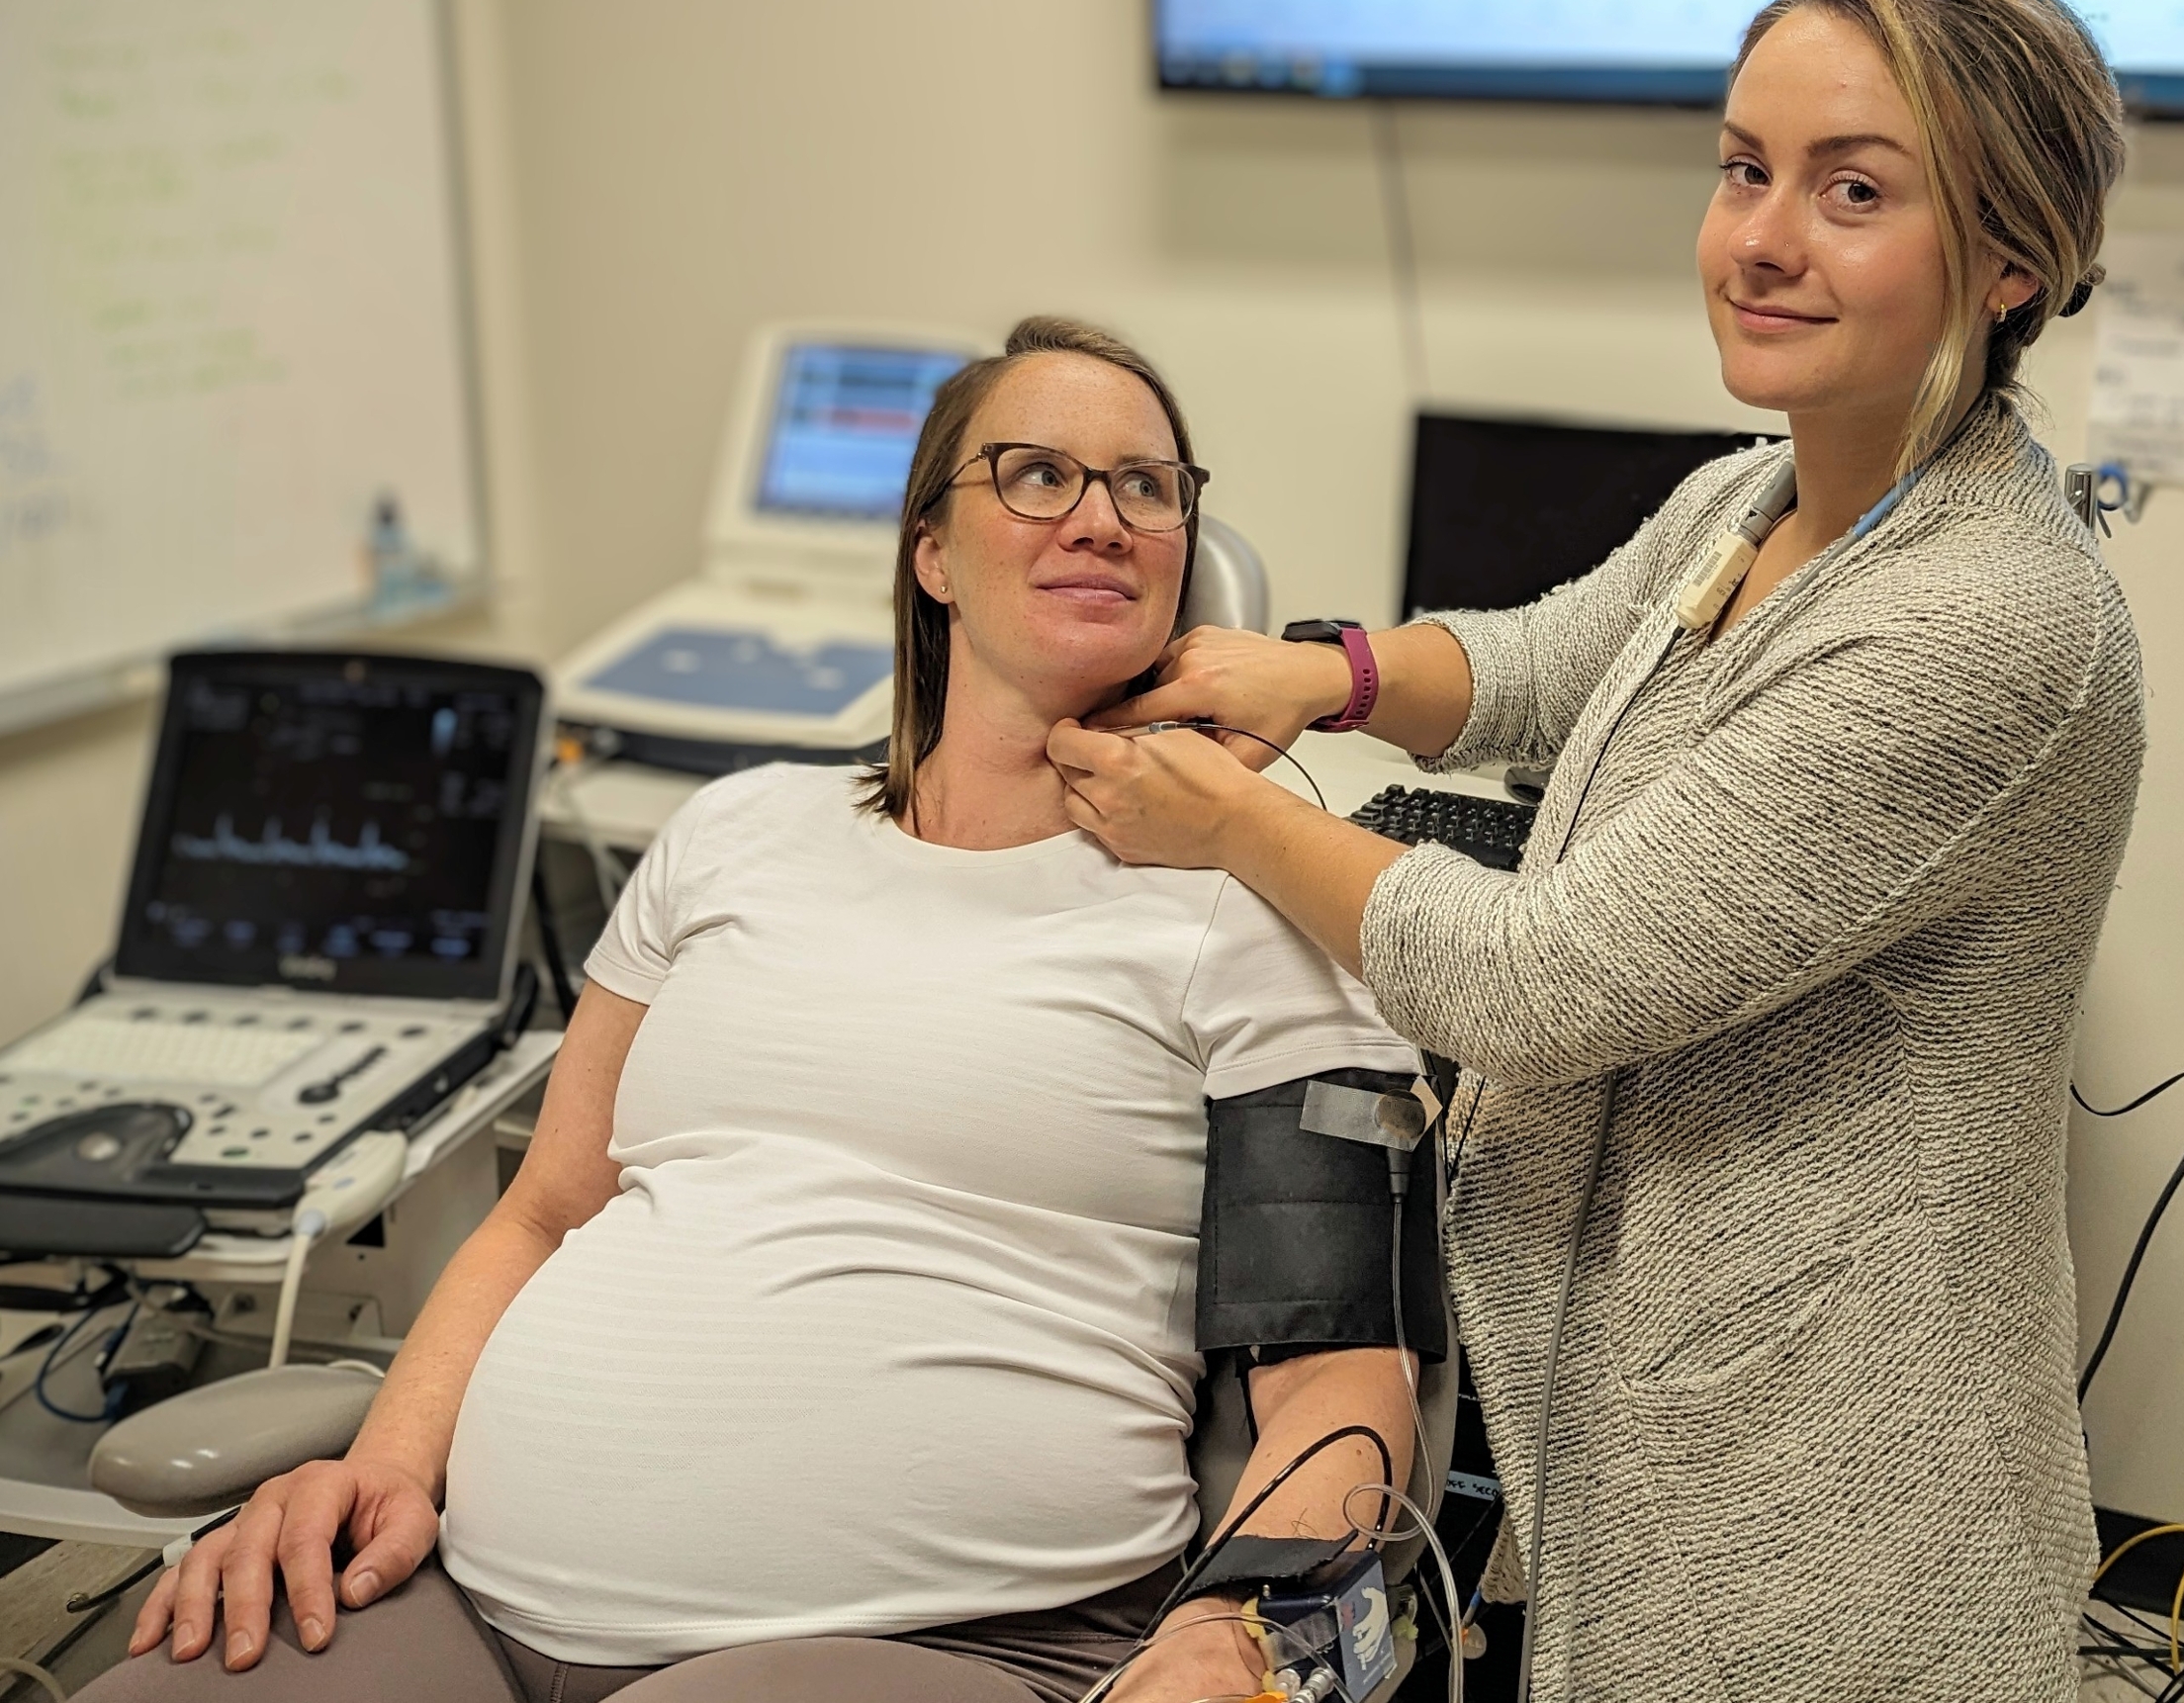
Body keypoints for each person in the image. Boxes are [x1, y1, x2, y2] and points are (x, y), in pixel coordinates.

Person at [1046, 0, 2148, 1701]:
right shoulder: (1766, 489)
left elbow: (1541, 982)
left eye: (1851, 191)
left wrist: (1231, 825)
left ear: (2013, 261)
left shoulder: (1989, 620)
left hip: (1832, 1505)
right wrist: (1319, 674)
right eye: (1742, 169)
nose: (1760, 238)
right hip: (1657, 1417)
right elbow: (1561, 658)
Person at [95, 318, 1427, 1703]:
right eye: (1038, 474)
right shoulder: (733, 829)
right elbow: (545, 1213)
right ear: (932, 552)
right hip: (464, 1599)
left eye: (1146, 486)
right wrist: (378, 1467)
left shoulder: (1259, 903)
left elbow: (1341, 1382)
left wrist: (1245, 1625)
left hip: (931, 1638)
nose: (1100, 517)